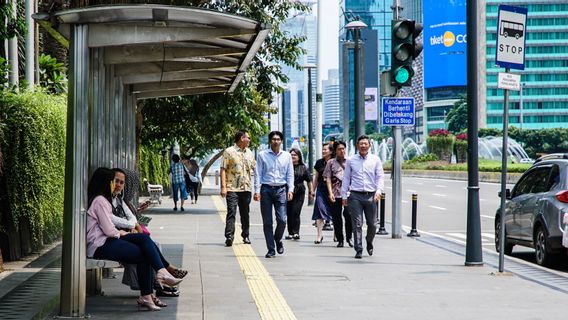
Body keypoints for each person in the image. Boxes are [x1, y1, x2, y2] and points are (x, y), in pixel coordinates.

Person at [86, 167, 183, 311]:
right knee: (143, 253)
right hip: (99, 245)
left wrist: (123, 233)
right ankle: (151, 288)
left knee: (143, 239)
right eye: (113, 181)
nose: (115, 185)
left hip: (107, 241)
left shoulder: (104, 200)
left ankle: (156, 280)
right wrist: (123, 234)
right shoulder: (101, 201)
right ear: (106, 183)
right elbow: (108, 229)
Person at [111, 168, 188, 300]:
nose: (119, 185)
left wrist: (134, 223)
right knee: (146, 249)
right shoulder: (106, 201)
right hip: (115, 237)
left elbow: (133, 219)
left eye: (122, 182)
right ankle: (160, 281)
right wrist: (131, 227)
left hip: (126, 234)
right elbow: (116, 221)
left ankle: (158, 284)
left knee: (151, 245)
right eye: (116, 181)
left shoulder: (120, 200)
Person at [341, 135, 384, 259]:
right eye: (361, 144)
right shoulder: (351, 160)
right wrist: (344, 195)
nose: (363, 146)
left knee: (373, 224)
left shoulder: (375, 159)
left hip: (371, 196)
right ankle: (358, 248)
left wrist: (379, 191)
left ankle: (369, 241)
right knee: (357, 224)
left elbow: (380, 176)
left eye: (365, 143)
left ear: (369, 145)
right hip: (355, 196)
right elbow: (346, 178)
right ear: (357, 146)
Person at [254, 131, 294, 258]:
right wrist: (256, 191)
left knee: (282, 220)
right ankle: (271, 249)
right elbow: (258, 174)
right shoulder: (262, 155)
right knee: (267, 222)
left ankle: (278, 239)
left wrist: (290, 189)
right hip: (266, 189)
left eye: (278, 139)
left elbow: (290, 174)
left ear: (281, 141)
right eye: (273, 139)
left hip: (281, 190)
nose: (276, 141)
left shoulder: (287, 156)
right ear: (270, 141)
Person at [220, 130, 256, 247]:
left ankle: (246, 235)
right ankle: (229, 236)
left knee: (245, 213)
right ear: (242, 138)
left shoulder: (249, 153)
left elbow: (255, 168)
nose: (249, 140)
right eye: (248, 138)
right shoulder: (229, 151)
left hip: (246, 188)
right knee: (231, 212)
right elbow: (223, 169)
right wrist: (223, 187)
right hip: (232, 188)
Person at [324, 141, 353, 248]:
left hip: (348, 193)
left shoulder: (350, 161)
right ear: (335, 151)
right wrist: (330, 193)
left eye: (343, 148)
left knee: (348, 215)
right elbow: (327, 179)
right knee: (336, 217)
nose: (342, 151)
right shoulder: (331, 162)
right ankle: (340, 239)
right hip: (335, 193)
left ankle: (349, 237)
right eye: (339, 149)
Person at [285, 148, 314, 240]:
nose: (293, 156)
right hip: (288, 191)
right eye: (291, 155)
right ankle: (290, 232)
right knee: (289, 212)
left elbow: (309, 180)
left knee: (296, 212)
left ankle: (296, 232)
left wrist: (311, 192)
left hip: (299, 192)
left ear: (299, 157)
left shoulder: (303, 167)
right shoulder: (286, 166)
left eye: (295, 155)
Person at [311, 143, 333, 244]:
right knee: (319, 210)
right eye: (323, 150)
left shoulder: (335, 162)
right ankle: (319, 236)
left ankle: (336, 235)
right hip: (321, 189)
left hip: (334, 189)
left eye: (326, 150)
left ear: (331, 151)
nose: (324, 151)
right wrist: (313, 190)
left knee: (335, 212)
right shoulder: (319, 162)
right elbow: (316, 177)